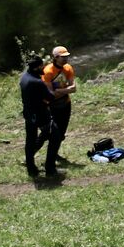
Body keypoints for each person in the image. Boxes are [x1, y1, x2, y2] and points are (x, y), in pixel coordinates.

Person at [41, 45, 77, 173]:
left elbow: (74, 87)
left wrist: (60, 91)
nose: (65, 59)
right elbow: (51, 93)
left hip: (65, 104)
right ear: (55, 58)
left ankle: (54, 154)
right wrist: (66, 90)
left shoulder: (68, 68)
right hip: (51, 106)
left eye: (66, 57)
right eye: (63, 57)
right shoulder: (48, 71)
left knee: (61, 133)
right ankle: (30, 155)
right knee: (47, 134)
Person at [19, 56, 56, 179]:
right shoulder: (37, 82)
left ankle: (31, 167)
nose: (44, 68)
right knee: (53, 133)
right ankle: (50, 167)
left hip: (28, 113)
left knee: (29, 140)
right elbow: (50, 96)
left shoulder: (24, 77)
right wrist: (54, 87)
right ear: (36, 67)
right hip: (39, 114)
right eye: (42, 66)